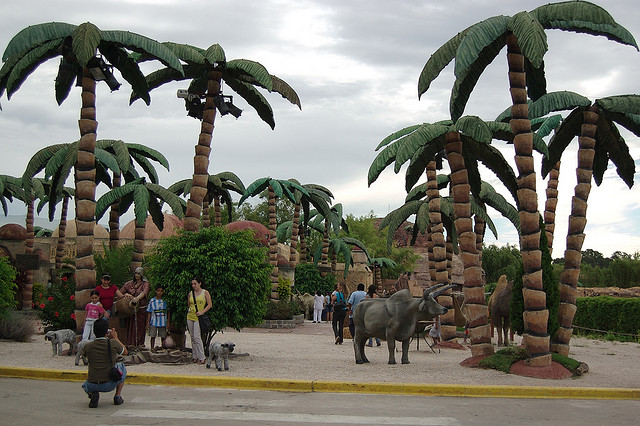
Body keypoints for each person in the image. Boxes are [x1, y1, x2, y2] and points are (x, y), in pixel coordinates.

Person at [80, 318, 128, 408]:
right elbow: (125, 352)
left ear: (94, 332)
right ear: (107, 332)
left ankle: (92, 394)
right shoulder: (113, 343)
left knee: (85, 385)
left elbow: (84, 354)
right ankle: (117, 396)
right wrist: (115, 337)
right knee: (121, 365)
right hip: (108, 384)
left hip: (91, 385)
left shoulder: (88, 346)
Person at [120, 267, 151, 346]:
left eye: (139, 273)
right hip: (130, 310)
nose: (137, 275)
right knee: (130, 328)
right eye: (136, 273)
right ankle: (130, 344)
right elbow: (119, 293)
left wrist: (137, 298)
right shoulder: (129, 284)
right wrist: (125, 295)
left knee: (140, 329)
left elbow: (144, 292)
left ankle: (139, 345)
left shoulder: (145, 284)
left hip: (141, 310)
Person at [187, 277, 212, 364]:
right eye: (192, 284)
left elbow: (209, 304)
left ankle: (202, 356)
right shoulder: (191, 293)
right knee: (192, 337)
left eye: (195, 284)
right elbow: (189, 304)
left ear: (199, 283)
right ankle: (195, 356)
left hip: (198, 317)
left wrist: (202, 312)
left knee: (197, 337)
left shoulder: (205, 292)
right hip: (190, 316)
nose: (193, 286)